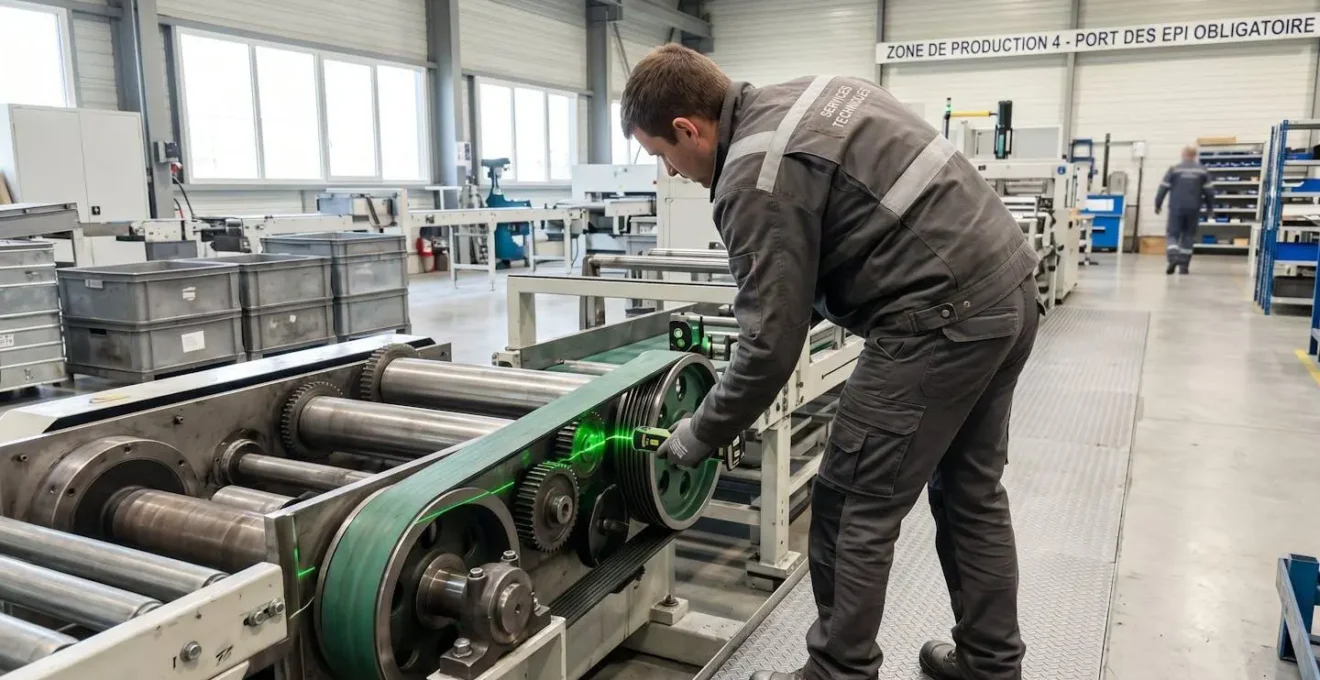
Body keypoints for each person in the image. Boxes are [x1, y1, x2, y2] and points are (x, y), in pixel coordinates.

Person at [622, 44, 1040, 680]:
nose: (673, 172)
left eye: (662, 156)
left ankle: (837, 672)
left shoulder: (751, 178)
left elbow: (770, 352)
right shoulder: (813, 94)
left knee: (849, 505)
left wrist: (701, 431)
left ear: (688, 128)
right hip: (1006, 289)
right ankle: (990, 664)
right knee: (969, 491)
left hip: (938, 320)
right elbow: (849, 240)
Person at [1154, 146, 1215, 275]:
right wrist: (1210, 208)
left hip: (1176, 207)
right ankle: (1184, 267)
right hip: (1194, 208)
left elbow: (1163, 188)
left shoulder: (1174, 169)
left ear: (1183, 155)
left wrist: (1157, 204)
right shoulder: (1203, 171)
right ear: (1195, 155)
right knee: (1188, 235)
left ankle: (1173, 256)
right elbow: (1210, 192)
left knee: (1172, 234)